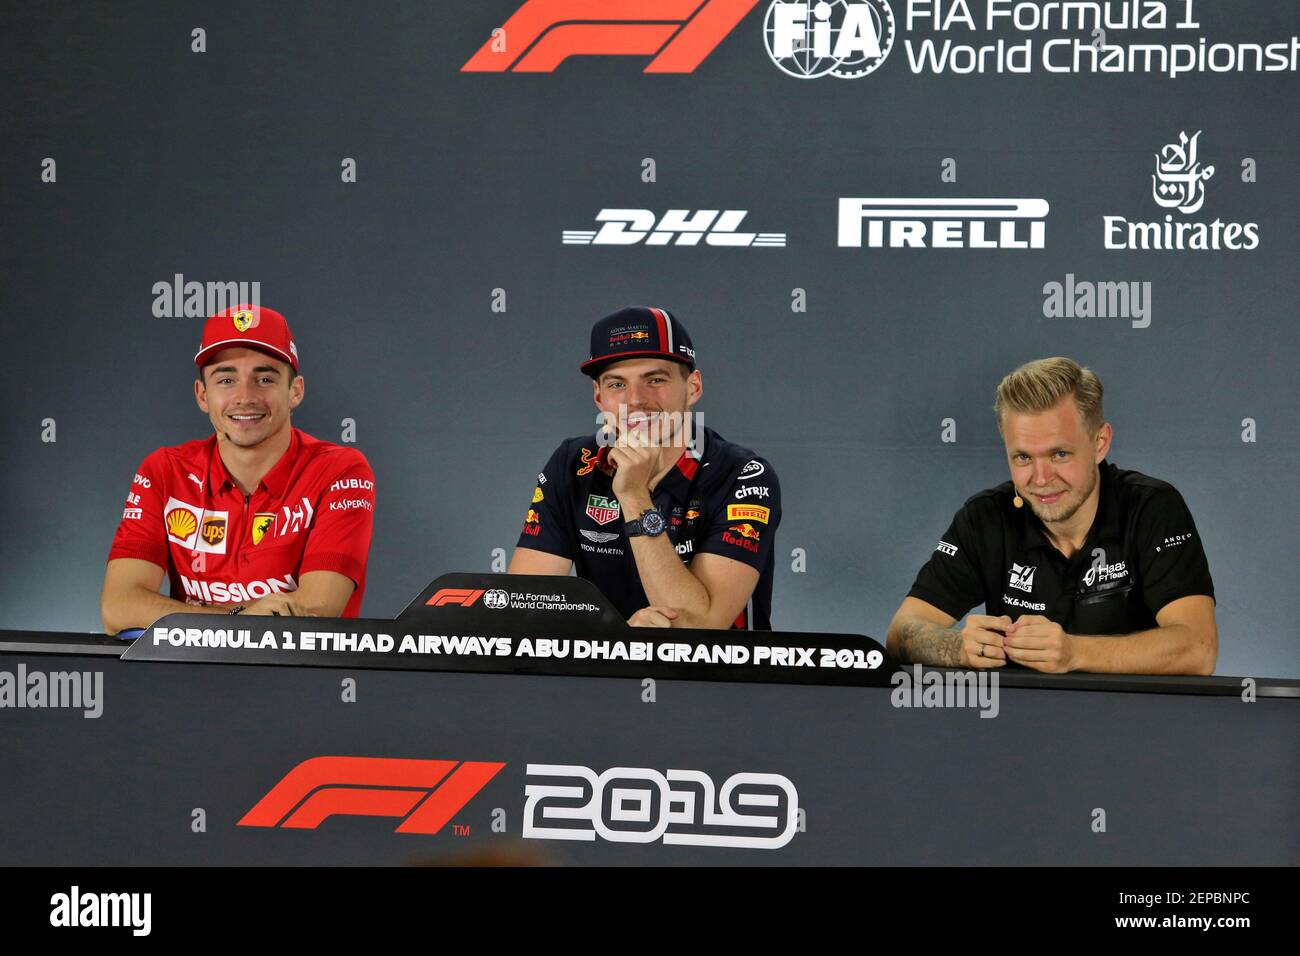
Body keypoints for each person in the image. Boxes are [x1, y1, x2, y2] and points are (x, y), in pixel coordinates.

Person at [885, 357, 1216, 674]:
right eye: (1023, 458)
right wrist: (957, 648)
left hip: (1133, 713)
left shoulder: (1153, 507)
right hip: (1020, 714)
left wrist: (1074, 652)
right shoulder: (984, 518)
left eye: (1059, 454)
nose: (1041, 479)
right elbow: (901, 632)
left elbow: (1198, 649)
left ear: (1100, 443)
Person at [100, 304, 376, 634]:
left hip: (298, 668)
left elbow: (315, 612)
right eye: (227, 379)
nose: (245, 397)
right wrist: (237, 617)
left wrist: (199, 618)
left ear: (295, 391)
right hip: (192, 668)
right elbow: (119, 607)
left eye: (265, 378)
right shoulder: (164, 470)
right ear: (203, 395)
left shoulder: (339, 470)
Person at [508, 306, 781, 629]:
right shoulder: (573, 464)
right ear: (598, 397)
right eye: (617, 384)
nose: (636, 399)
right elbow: (523, 611)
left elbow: (701, 629)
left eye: (655, 379)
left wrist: (634, 496)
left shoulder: (743, 475)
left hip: (717, 664)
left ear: (693, 387)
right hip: (607, 660)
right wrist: (619, 635)